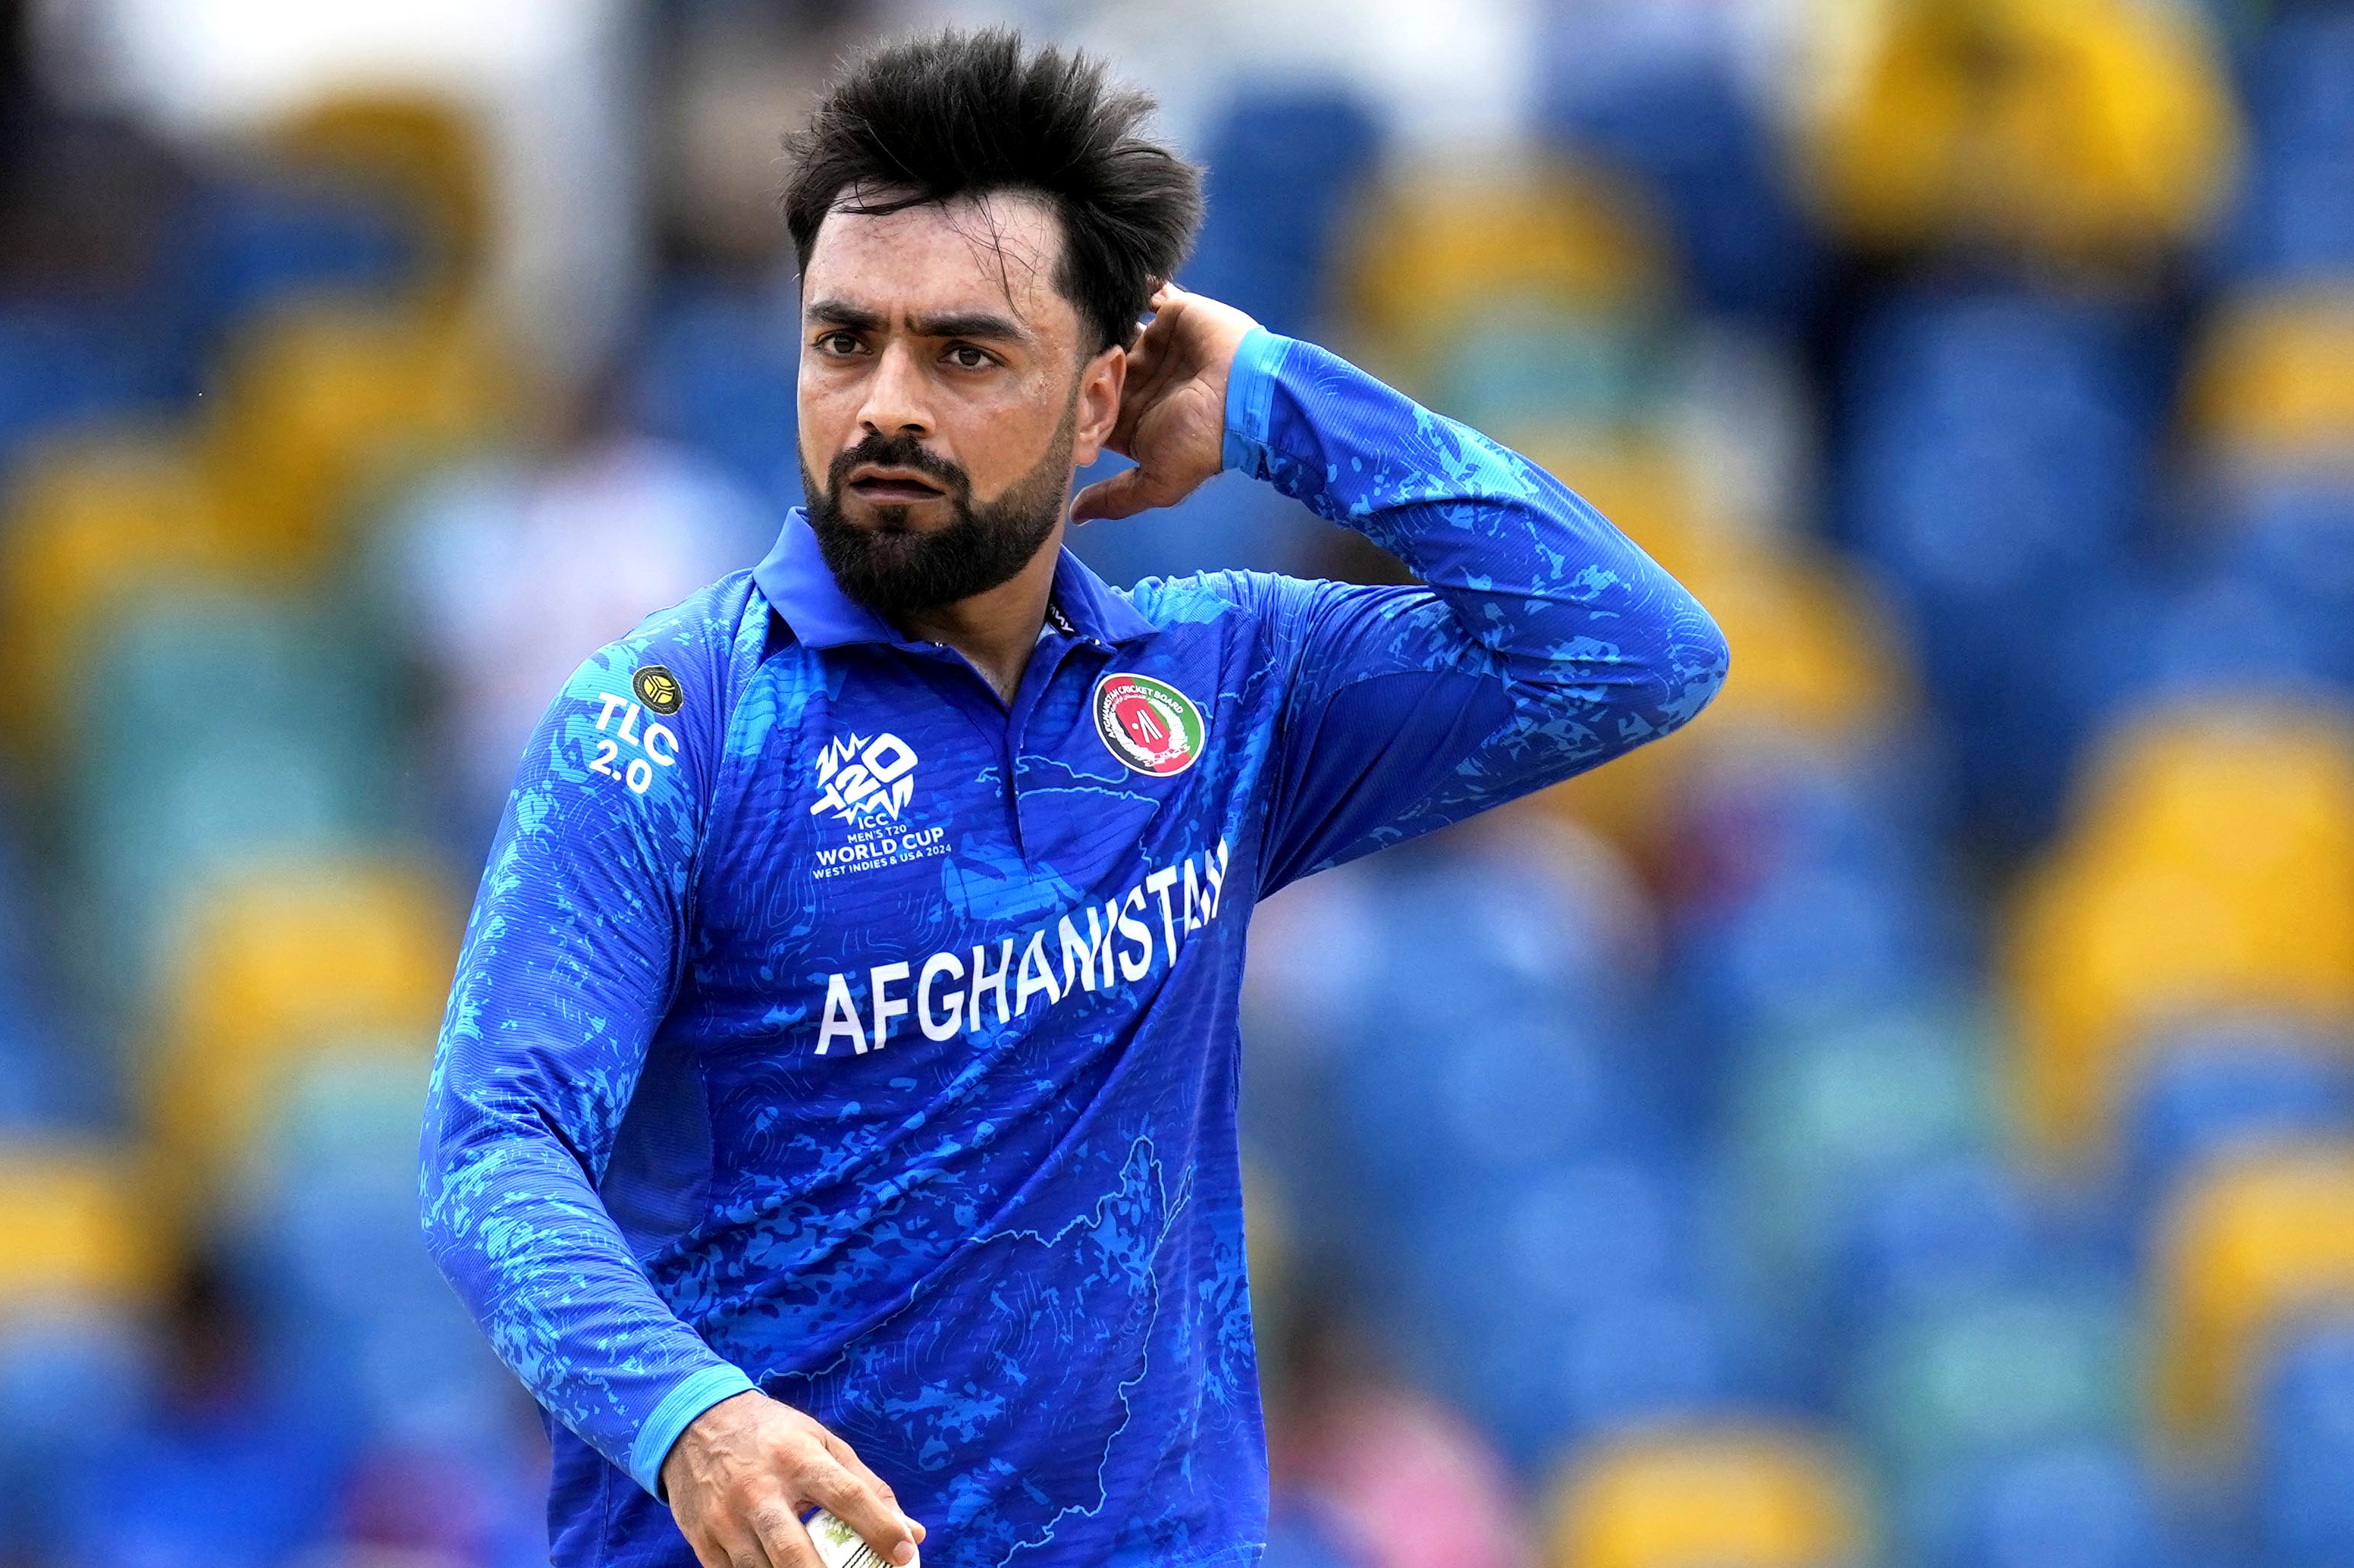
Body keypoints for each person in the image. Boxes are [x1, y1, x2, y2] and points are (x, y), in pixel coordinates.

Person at [420, 27, 1730, 1568]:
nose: (884, 404)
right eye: (843, 342)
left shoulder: (1227, 688)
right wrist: (689, 1418)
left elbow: (1638, 654)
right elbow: (492, 1147)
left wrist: (1273, 395)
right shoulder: (666, 725)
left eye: (964, 354)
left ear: (1102, 392)